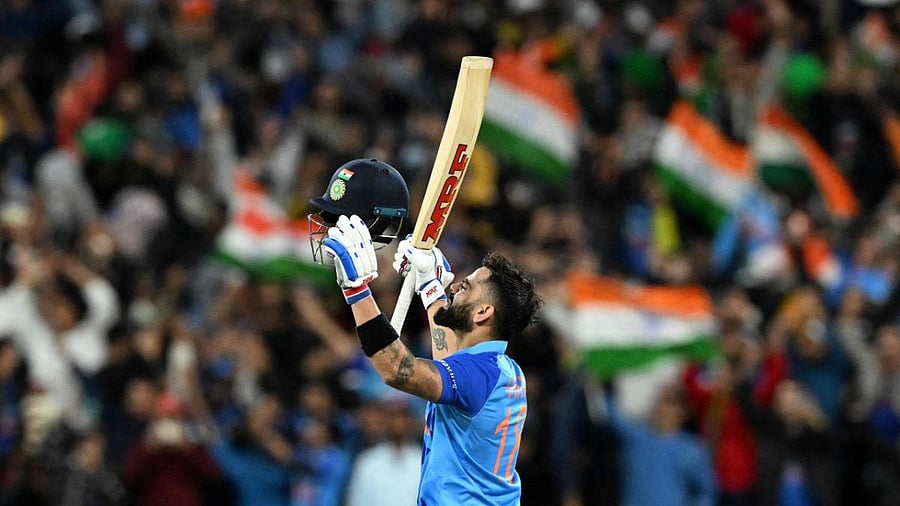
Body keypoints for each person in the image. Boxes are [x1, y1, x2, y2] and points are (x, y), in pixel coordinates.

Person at [312, 208, 542, 505]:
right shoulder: (499, 370)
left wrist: (357, 291)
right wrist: (431, 287)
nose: (457, 286)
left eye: (467, 286)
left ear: (484, 313)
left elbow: (396, 369)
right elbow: (447, 361)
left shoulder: (479, 374)